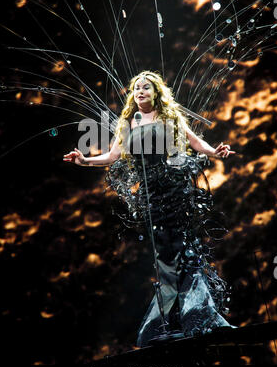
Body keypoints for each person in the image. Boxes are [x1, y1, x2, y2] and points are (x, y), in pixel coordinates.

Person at [63, 71, 236, 347]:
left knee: (182, 248)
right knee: (163, 253)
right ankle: (172, 321)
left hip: (174, 189)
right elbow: (112, 156)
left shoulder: (170, 117)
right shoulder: (129, 123)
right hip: (151, 196)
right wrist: (84, 160)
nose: (140, 91)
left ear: (157, 93)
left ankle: (199, 316)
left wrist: (215, 152)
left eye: (146, 87)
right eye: (136, 88)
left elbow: (194, 141)